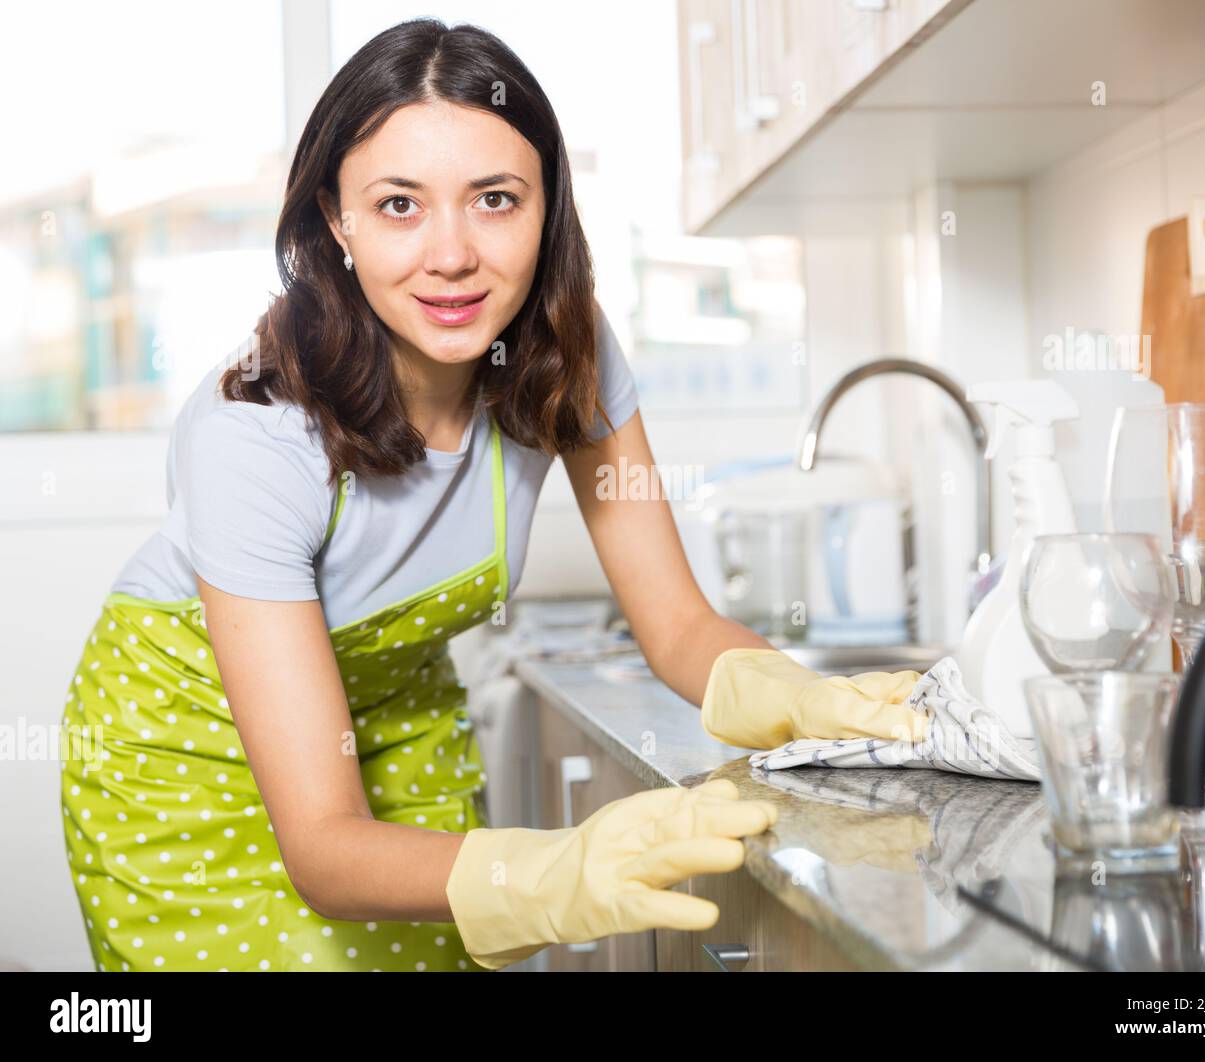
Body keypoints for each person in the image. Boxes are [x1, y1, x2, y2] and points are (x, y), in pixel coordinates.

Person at [58, 17, 784, 973]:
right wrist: (554, 873)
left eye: (494, 199)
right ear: (335, 219)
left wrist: (810, 701)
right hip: (186, 765)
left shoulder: (572, 351)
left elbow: (681, 628)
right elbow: (324, 847)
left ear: (549, 208)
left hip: (394, 730)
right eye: (399, 204)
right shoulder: (254, 434)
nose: (451, 256)